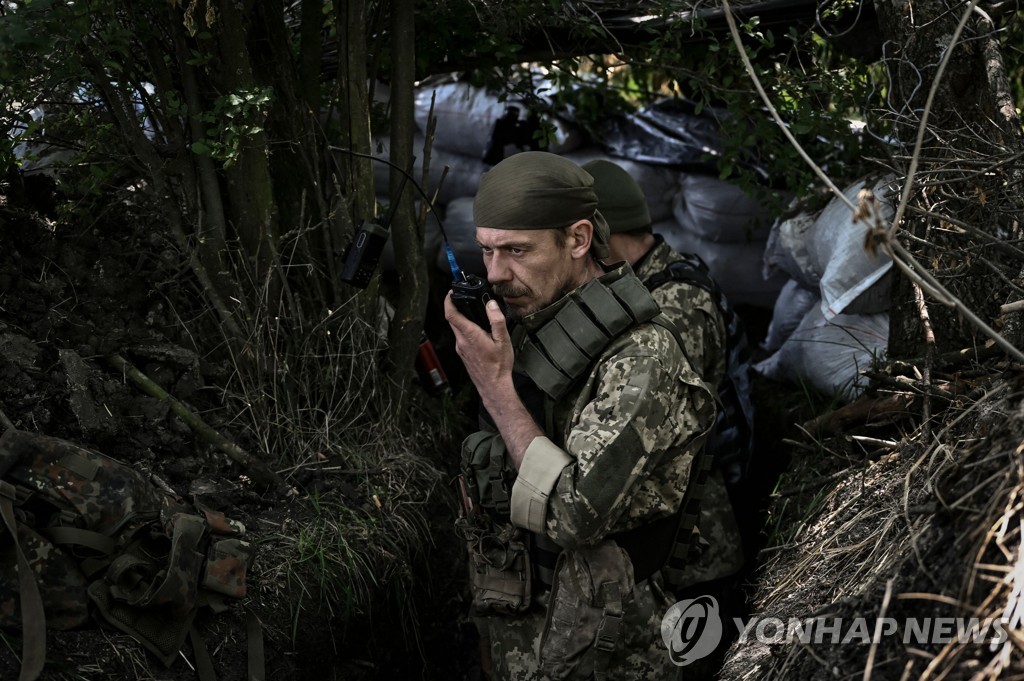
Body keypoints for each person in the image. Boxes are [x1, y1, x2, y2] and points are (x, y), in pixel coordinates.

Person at [444, 151, 718, 681]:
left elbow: (573, 516)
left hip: (607, 650)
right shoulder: (525, 325)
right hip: (518, 626)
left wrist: (496, 387)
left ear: (577, 239)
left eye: (518, 251)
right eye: (487, 251)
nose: (497, 274)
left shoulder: (642, 357)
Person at [583, 158, 755, 674]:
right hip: (674, 533)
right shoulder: (648, 284)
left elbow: (651, 433)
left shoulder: (674, 305)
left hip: (696, 540)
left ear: (597, 234)